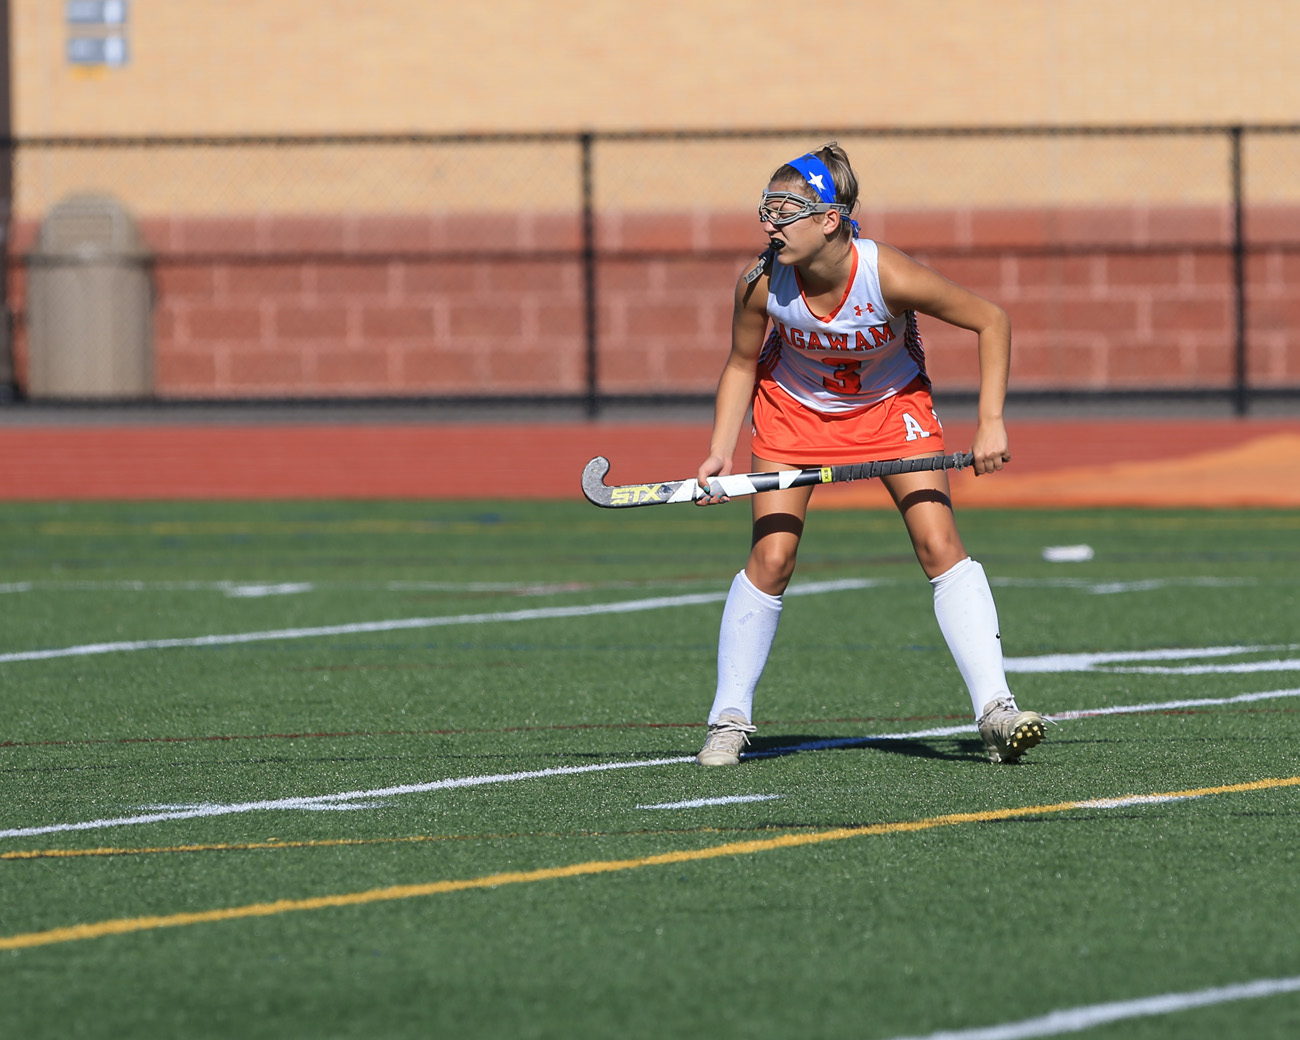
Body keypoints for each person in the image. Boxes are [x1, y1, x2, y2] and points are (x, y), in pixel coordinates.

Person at [693, 142, 1044, 767]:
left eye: (784, 210)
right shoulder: (758, 282)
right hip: (793, 413)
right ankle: (729, 719)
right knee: (772, 556)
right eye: (765, 210)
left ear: (830, 218)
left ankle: (996, 711)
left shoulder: (889, 275)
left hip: (892, 410)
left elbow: (992, 319)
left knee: (939, 544)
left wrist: (990, 421)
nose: (769, 224)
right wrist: (721, 451)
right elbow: (742, 362)